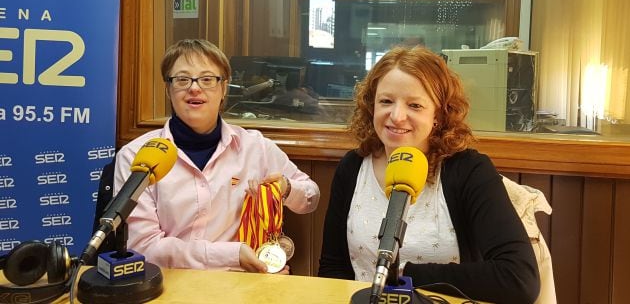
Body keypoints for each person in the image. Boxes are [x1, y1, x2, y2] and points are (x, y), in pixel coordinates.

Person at [317, 46, 540, 304]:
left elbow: (519, 278)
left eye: (415, 105)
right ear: (371, 106)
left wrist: (407, 276)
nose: (397, 116)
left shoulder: (469, 171)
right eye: (386, 101)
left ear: (438, 114)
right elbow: (332, 268)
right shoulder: (352, 167)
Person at [113, 39, 320, 272]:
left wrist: (287, 188)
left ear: (223, 89)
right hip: (170, 286)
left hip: (243, 287)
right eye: (182, 79)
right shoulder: (135, 157)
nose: (194, 87)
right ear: (168, 89)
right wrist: (233, 255)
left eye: (207, 79)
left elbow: (311, 198)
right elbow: (145, 248)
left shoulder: (255, 147)